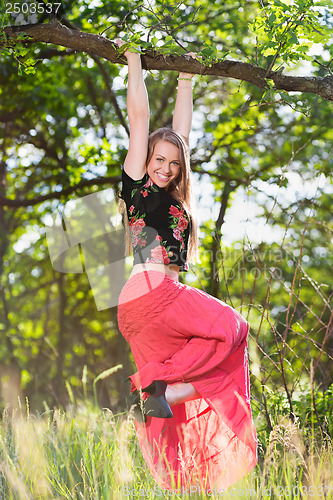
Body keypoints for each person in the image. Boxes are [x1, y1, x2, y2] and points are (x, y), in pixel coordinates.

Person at [116, 39, 257, 490]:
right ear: (144, 161)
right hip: (155, 294)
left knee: (168, 414)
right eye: (158, 160)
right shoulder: (137, 187)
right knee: (234, 329)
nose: (165, 168)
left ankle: (179, 481)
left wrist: (185, 80)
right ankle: (168, 388)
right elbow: (140, 120)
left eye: (173, 164)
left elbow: (181, 136)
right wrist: (133, 59)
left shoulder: (174, 195)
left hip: (140, 309)